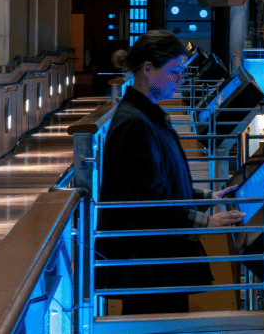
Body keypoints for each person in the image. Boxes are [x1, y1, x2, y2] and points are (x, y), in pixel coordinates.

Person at [96, 30, 244, 315]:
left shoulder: (145, 115)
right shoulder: (135, 124)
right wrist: (206, 222)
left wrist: (205, 196)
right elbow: (149, 204)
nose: (180, 80)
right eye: (175, 72)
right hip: (149, 268)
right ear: (148, 69)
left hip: (154, 264)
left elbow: (159, 186)